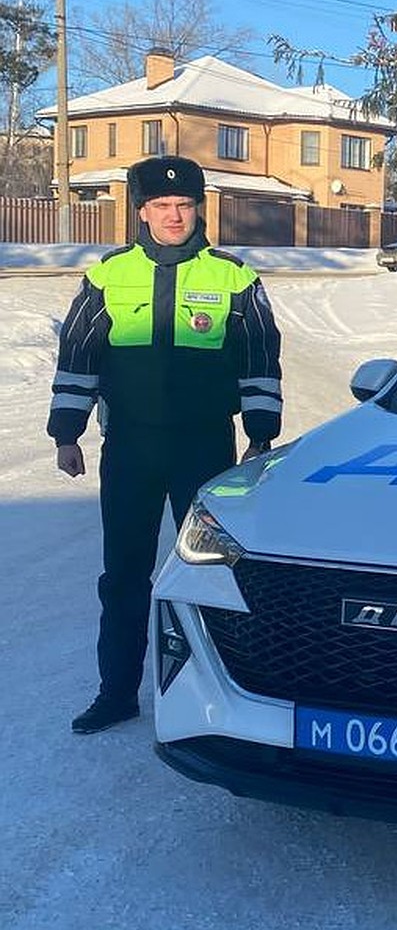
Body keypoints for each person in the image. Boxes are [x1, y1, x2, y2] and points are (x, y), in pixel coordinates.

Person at [48, 156, 284, 734]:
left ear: (198, 208)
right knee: (124, 574)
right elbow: (80, 356)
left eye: (183, 205)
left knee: (212, 573)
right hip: (130, 448)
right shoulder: (108, 276)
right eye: (161, 206)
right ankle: (117, 692)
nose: (174, 215)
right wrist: (67, 431)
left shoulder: (234, 277)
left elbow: (260, 357)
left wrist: (259, 433)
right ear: (142, 211)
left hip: (205, 449)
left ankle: (223, 699)